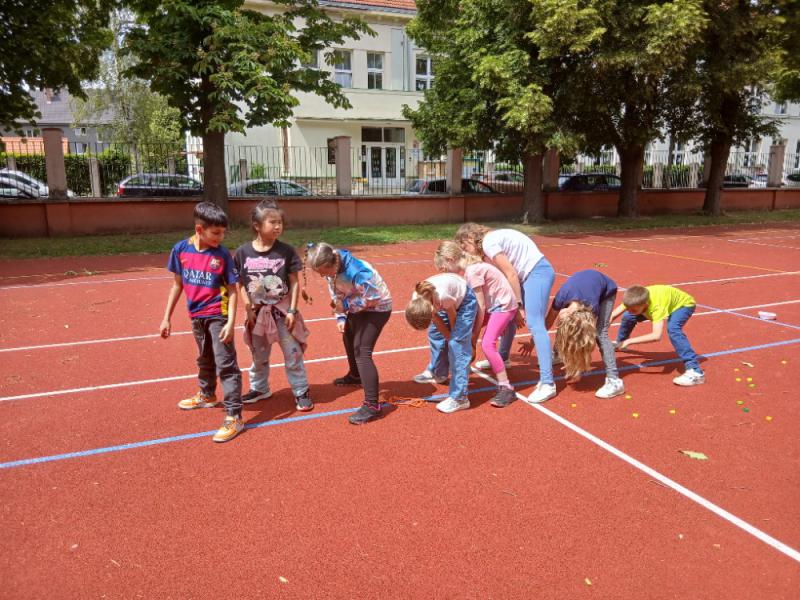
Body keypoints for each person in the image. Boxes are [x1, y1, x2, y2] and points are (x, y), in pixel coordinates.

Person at [159, 201, 243, 443]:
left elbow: (233, 290)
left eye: (223, 232)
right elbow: (177, 285)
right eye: (216, 233)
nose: (221, 237)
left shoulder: (222, 255)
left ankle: (234, 416)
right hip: (196, 316)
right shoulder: (181, 250)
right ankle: (207, 394)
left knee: (225, 363)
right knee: (204, 357)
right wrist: (166, 318)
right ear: (199, 229)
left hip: (218, 314)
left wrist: (230, 322)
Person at [456, 223, 557, 403]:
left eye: (465, 247)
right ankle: (503, 357)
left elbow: (510, 273)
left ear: (470, 238)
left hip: (537, 272)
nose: (467, 252)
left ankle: (548, 382)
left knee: (535, 323)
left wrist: (518, 305)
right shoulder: (491, 241)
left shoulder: (488, 242)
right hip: (526, 275)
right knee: (508, 316)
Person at [234, 200, 313, 412]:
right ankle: (259, 388)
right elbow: (239, 284)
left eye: (280, 222)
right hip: (257, 314)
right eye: (272, 222)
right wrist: (248, 307)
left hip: (282, 312)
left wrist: (292, 310)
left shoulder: (286, 251)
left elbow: (294, 283)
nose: (278, 226)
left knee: (292, 353)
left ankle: (301, 390)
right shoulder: (243, 253)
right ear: (257, 225)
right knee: (258, 354)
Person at [304, 242, 392, 424]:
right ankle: (355, 375)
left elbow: (373, 299)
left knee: (362, 351)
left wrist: (345, 306)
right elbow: (335, 290)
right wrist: (341, 317)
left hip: (378, 308)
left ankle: (372, 405)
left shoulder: (357, 272)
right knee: (348, 337)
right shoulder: (332, 266)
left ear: (331, 264)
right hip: (356, 302)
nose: (321, 275)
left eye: (323, 271)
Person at [430, 240, 518, 407]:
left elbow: (480, 306)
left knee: (487, 344)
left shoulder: (472, 271)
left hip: (502, 306)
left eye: (444, 269)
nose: (445, 274)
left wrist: (474, 338)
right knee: (464, 333)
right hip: (495, 306)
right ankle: (461, 367)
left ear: (450, 260)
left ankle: (506, 387)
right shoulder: (470, 269)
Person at [406, 271, 478, 414]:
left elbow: (453, 319)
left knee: (457, 346)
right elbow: (437, 321)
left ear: (431, 309)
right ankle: (440, 373)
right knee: (435, 333)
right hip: (445, 296)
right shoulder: (417, 300)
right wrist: (449, 338)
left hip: (465, 300)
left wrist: (457, 343)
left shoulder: (443, 297)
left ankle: (460, 398)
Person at [544, 269, 624, 398]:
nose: (561, 315)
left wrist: (577, 366)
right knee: (565, 327)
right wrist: (533, 340)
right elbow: (548, 322)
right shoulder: (561, 297)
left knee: (600, 333)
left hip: (607, 289)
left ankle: (614, 381)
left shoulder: (592, 307)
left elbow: (584, 340)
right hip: (585, 286)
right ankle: (557, 354)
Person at [610, 284, 705, 386]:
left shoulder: (656, 307)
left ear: (645, 304)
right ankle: (620, 344)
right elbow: (613, 315)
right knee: (628, 316)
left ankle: (695, 371)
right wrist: (602, 329)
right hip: (663, 300)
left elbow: (656, 336)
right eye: (627, 308)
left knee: (673, 329)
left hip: (683, 305)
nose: (629, 310)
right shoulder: (633, 298)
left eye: (633, 310)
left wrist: (629, 341)